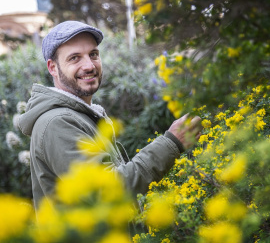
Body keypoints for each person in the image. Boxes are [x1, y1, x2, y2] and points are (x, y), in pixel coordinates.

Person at [19, 21, 202, 211]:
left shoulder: (80, 115)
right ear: (53, 68)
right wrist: (171, 143)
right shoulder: (57, 123)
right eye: (74, 58)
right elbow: (108, 191)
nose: (89, 65)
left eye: (93, 54)